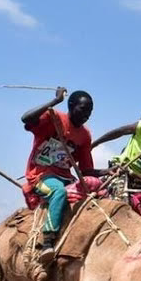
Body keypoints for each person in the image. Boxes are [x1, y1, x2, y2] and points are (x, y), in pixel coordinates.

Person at [21, 87, 104, 264]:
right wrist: (54, 101)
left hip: (67, 177)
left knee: (99, 194)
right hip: (41, 176)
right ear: (71, 105)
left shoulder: (85, 135)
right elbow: (26, 119)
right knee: (59, 193)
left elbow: (86, 170)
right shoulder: (53, 118)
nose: (86, 115)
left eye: (90, 112)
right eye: (83, 110)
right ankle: (48, 241)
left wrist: (107, 172)